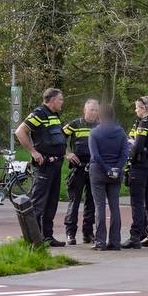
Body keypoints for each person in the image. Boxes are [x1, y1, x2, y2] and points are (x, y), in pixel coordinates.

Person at [16, 87, 68, 246]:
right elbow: (20, 131)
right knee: (38, 203)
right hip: (44, 165)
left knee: (51, 203)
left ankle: (47, 236)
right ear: (52, 100)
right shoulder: (39, 113)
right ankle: (33, 239)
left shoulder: (54, 115)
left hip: (56, 165)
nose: (62, 102)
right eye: (60, 99)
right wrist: (33, 152)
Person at [123, 95, 148, 249]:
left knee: (137, 203)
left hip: (140, 166)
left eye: (137, 107)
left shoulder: (143, 125)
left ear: (144, 108)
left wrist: (128, 148)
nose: (135, 110)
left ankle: (135, 236)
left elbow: (137, 148)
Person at [88, 103, 129, 251]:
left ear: (100, 115)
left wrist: (106, 169)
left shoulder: (94, 132)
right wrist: (116, 168)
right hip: (116, 174)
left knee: (100, 207)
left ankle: (100, 242)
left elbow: (95, 155)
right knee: (114, 207)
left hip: (98, 172)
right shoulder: (120, 132)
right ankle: (115, 241)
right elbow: (125, 153)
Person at [62, 99, 98, 245]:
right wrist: (67, 153)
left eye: (96, 110)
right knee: (74, 201)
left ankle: (88, 233)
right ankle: (70, 233)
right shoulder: (75, 124)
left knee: (91, 202)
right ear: (85, 110)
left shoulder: (100, 125)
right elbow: (58, 138)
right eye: (91, 110)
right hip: (78, 167)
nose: (94, 113)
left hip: (95, 167)